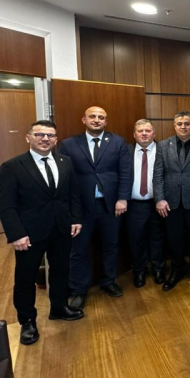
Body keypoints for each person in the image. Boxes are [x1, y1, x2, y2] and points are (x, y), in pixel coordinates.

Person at [0, 120, 84, 345]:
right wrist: (16, 234)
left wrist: (76, 218)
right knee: (26, 278)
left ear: (56, 139)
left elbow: (73, 194)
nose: (45, 139)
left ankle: (59, 307)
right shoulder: (12, 166)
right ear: (28, 138)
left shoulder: (65, 162)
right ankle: (27, 321)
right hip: (29, 233)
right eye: (39, 134)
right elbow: (6, 205)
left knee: (60, 270)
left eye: (50, 135)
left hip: (61, 228)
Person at [59, 106, 132, 308]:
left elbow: (125, 172)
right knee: (79, 249)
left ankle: (109, 281)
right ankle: (78, 289)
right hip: (81, 208)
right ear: (84, 119)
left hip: (111, 206)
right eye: (92, 116)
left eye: (101, 117)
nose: (97, 120)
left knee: (111, 246)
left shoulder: (117, 142)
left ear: (106, 122)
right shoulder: (68, 144)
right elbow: (64, 177)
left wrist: (122, 198)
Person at [153, 111, 190, 291]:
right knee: (174, 239)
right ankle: (176, 271)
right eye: (179, 123)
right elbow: (158, 175)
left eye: (187, 123)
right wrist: (159, 199)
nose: (183, 126)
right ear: (174, 126)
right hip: (171, 202)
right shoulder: (163, 146)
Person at [125, 119, 165, 288]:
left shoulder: (164, 149)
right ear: (134, 135)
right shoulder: (126, 151)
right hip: (134, 204)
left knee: (158, 237)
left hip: (158, 203)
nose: (144, 134)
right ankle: (139, 270)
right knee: (136, 239)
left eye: (147, 131)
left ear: (153, 134)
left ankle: (158, 268)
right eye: (140, 131)